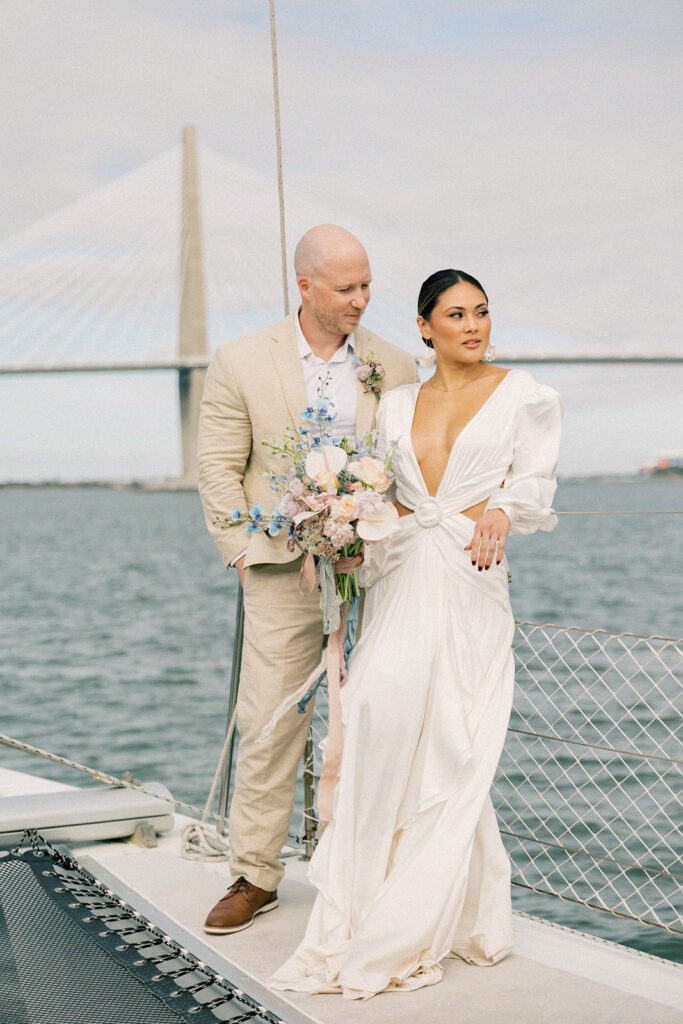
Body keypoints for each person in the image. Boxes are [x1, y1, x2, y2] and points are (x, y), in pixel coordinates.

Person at [269, 268, 562, 998]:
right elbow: (380, 489)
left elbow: (535, 479)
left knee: (456, 743)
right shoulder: (394, 403)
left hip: (469, 576)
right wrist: (345, 524)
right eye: (455, 314)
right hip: (398, 577)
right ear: (424, 328)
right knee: (377, 717)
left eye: (482, 312)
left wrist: (500, 508)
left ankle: (441, 914)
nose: (473, 325)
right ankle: (373, 900)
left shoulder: (524, 394)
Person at [197, 225, 418, 935]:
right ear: (305, 285)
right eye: (346, 288)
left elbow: (409, 467)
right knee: (269, 720)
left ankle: (365, 866)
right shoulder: (238, 361)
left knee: (382, 715)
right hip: (279, 571)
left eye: (366, 285)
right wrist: (242, 551)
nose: (362, 299)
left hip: (376, 570)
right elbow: (217, 468)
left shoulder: (394, 364)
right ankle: (254, 873)